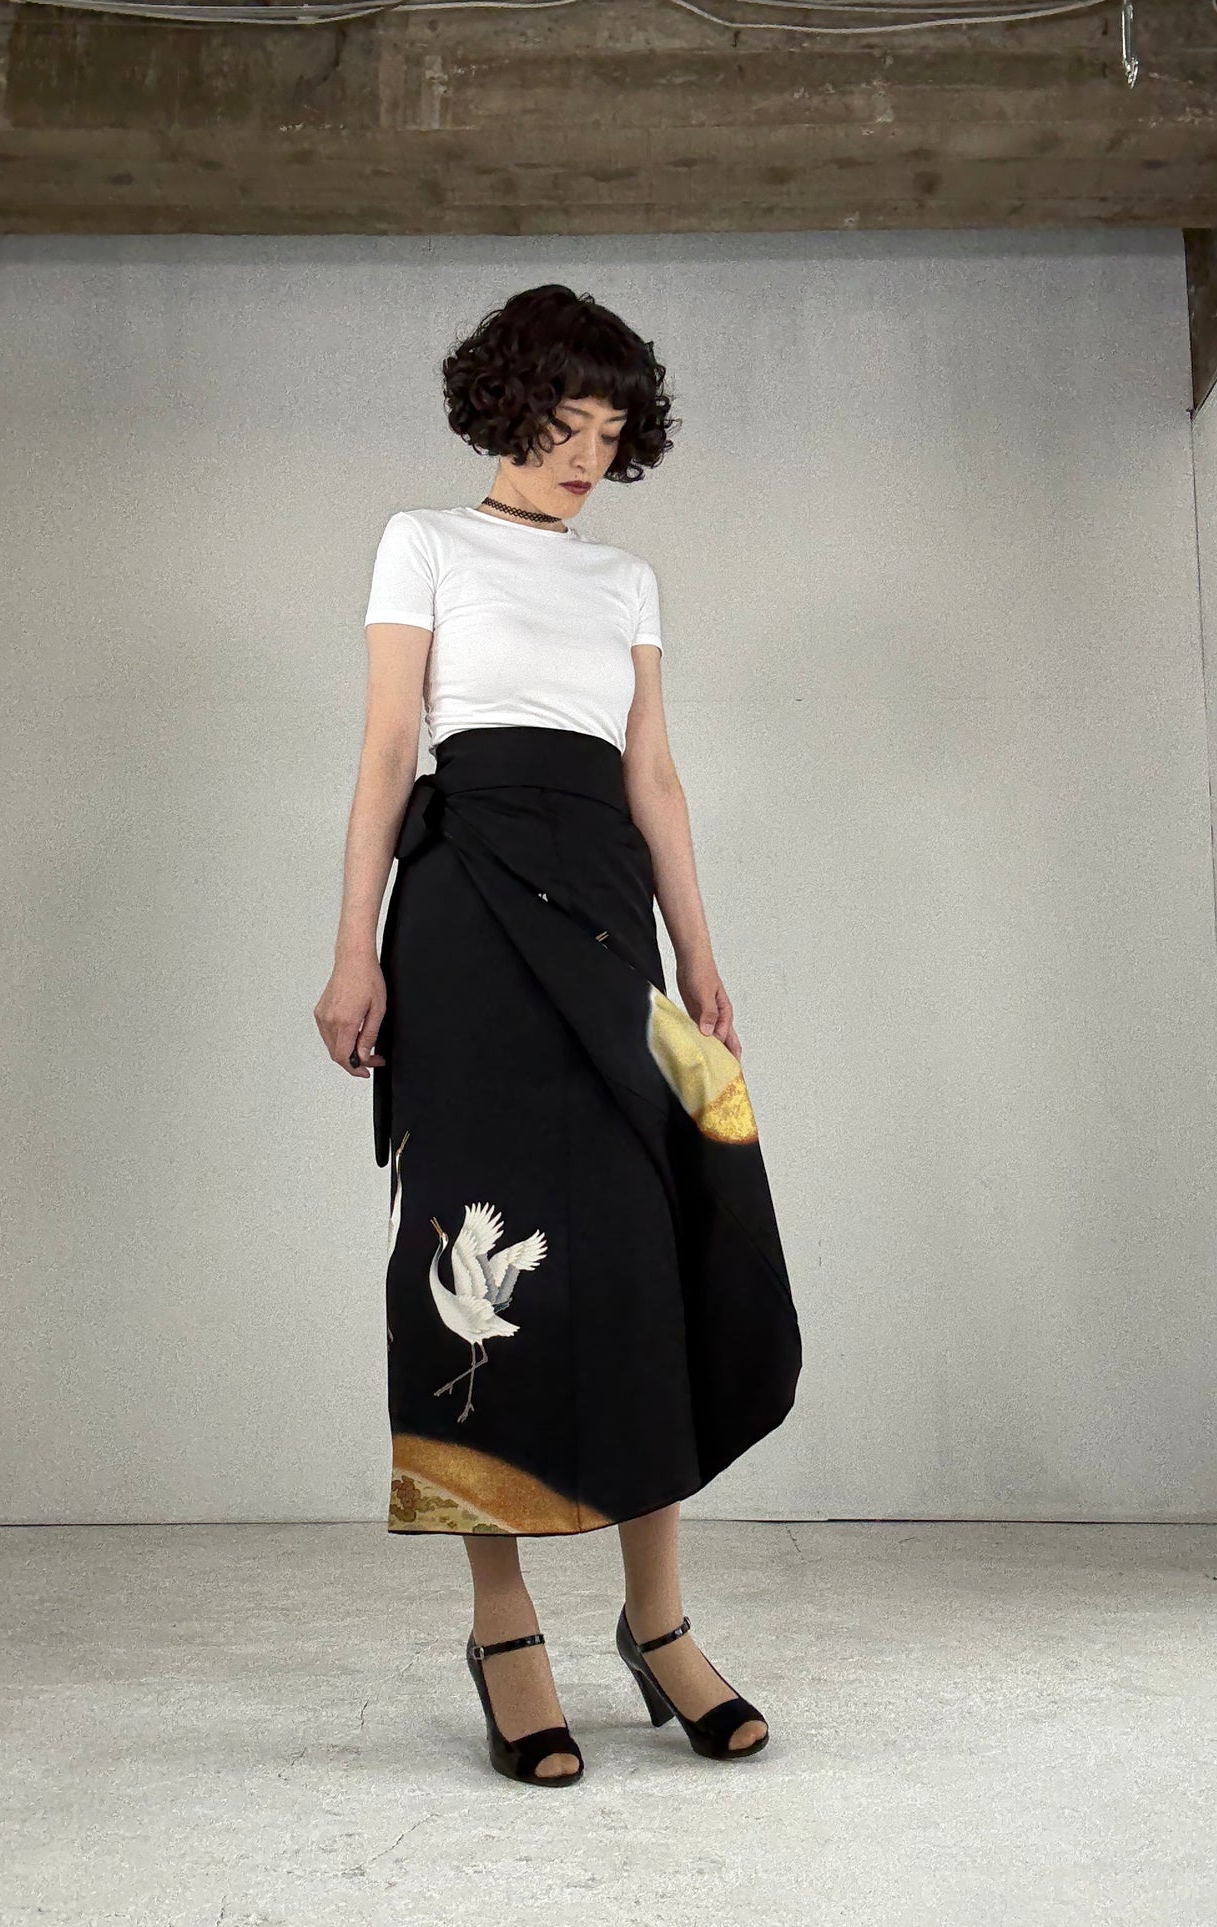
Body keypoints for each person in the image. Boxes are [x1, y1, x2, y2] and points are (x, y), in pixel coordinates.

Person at [314, 284, 802, 1786]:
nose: (588, 457)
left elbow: (653, 775)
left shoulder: (625, 579)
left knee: (642, 1254)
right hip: (463, 917)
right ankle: (505, 1630)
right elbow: (388, 749)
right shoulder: (422, 540)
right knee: (477, 1257)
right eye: (563, 426)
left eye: (609, 432)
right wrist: (352, 947)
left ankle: (659, 1622)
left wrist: (700, 960)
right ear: (505, 411)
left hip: (603, 915)